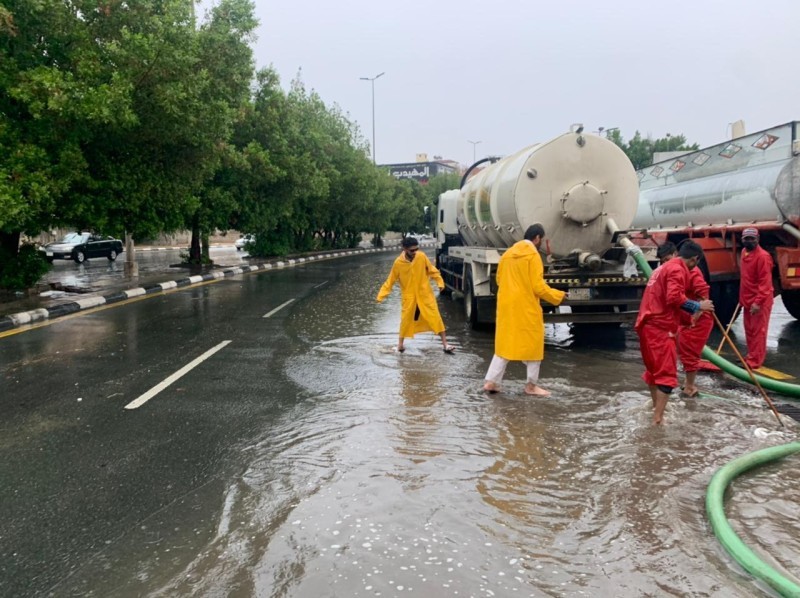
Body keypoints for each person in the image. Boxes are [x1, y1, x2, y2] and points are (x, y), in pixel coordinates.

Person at [635, 240, 714, 425]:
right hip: (660, 328)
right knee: (666, 374)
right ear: (695, 259)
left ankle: (656, 409)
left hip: (647, 325)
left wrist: (689, 317)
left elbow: (667, 298)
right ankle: (658, 420)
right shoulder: (678, 270)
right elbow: (673, 297)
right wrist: (698, 305)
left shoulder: (661, 268)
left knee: (654, 371)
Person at [483, 224, 565, 396]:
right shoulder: (532, 256)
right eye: (541, 239)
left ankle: (492, 382)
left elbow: (499, 279)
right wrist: (557, 296)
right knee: (533, 345)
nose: (541, 243)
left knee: (504, 345)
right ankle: (531, 386)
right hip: (526, 307)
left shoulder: (507, 254)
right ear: (537, 238)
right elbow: (538, 287)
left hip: (506, 307)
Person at [656, 242, 717, 398]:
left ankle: (690, 386)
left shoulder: (692, 272)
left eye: (667, 259)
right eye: (663, 261)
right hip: (685, 317)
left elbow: (702, 293)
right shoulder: (675, 269)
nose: (665, 263)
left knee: (689, 351)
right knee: (679, 348)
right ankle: (683, 382)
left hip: (698, 318)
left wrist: (696, 313)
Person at [376, 236, 454, 353]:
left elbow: (432, 270)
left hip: (425, 294)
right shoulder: (398, 263)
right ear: (405, 249)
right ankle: (400, 345)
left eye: (416, 249)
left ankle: (445, 344)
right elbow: (390, 280)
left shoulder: (421, 257)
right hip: (409, 297)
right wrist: (381, 295)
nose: (415, 252)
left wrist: (439, 282)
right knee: (405, 319)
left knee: (435, 317)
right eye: (412, 250)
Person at [739, 227, 774, 369]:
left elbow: (765, 283)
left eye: (752, 239)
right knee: (749, 329)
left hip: (760, 301)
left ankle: (755, 361)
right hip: (747, 299)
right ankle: (750, 356)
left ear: (758, 239)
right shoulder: (744, 252)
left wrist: (757, 302)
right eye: (746, 238)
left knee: (759, 331)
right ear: (742, 239)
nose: (749, 241)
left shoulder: (763, 257)